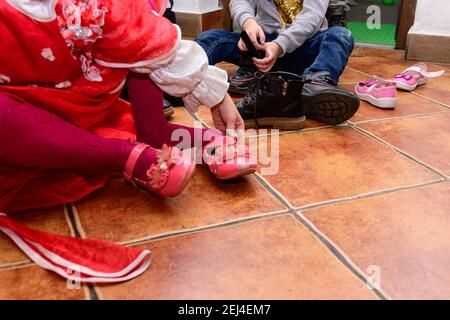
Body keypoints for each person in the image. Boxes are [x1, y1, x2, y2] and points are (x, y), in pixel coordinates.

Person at [0, 0, 255, 214]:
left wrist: (218, 96)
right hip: (18, 121)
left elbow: (147, 38)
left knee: (141, 43)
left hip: (81, 105)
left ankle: (205, 140)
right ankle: (123, 156)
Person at [196, 0, 360, 127]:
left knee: (340, 36)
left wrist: (279, 45)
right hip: (262, 46)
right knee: (209, 38)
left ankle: (315, 84)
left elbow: (313, 17)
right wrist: (249, 23)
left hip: (304, 46)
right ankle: (188, 78)